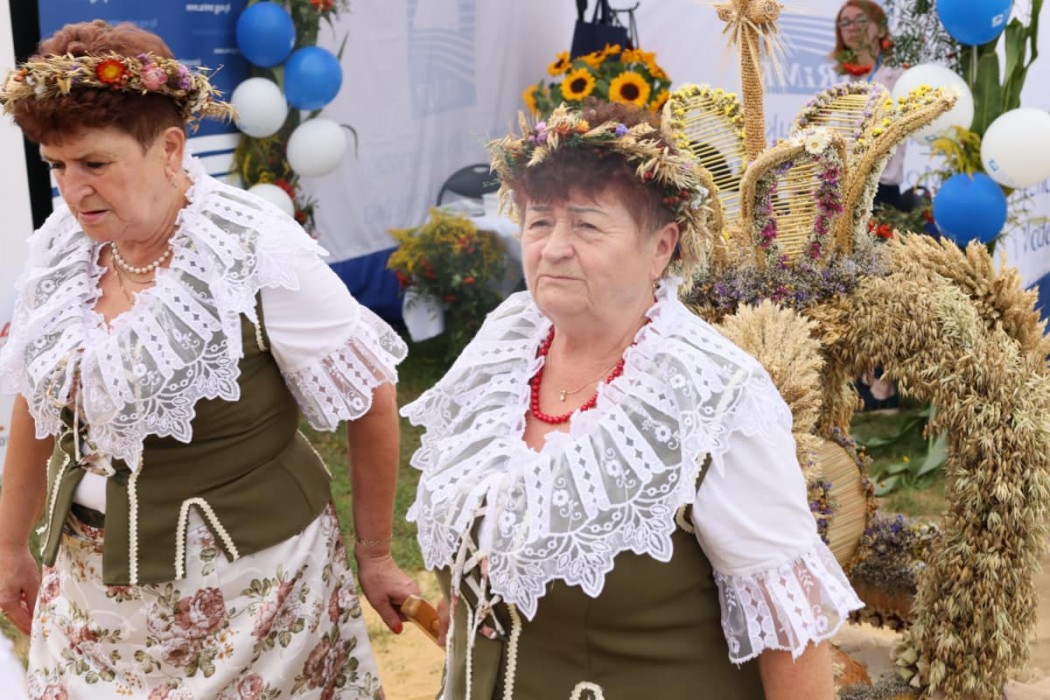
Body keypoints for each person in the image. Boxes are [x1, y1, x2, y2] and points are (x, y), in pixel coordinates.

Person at [0, 20, 418, 699]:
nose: (73, 191)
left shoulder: (254, 252)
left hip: (249, 596)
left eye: (96, 165)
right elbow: (36, 396)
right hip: (87, 590)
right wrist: (10, 545)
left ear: (169, 148)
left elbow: (370, 396)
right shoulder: (64, 248)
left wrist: (375, 556)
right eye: (56, 166)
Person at [402, 101, 863, 699]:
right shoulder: (505, 343)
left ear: (662, 247)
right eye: (539, 222)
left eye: (587, 225)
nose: (554, 247)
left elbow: (792, 634)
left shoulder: (713, 394)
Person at [831, 0, 905, 210]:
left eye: (860, 20)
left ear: (880, 29)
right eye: (845, 22)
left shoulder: (898, 76)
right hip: (845, 191)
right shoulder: (846, 81)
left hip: (882, 192)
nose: (852, 27)